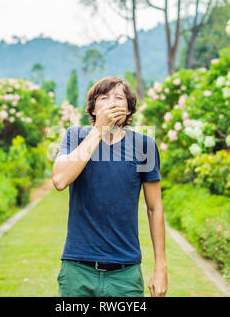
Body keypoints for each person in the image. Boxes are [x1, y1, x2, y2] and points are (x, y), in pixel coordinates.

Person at [52, 76, 167, 297]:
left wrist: (160, 267)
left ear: (129, 109)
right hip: (78, 270)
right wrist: (98, 131)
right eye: (103, 98)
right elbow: (60, 181)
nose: (111, 102)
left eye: (118, 98)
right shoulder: (75, 136)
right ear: (93, 109)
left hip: (125, 274)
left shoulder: (145, 145)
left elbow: (155, 208)